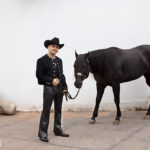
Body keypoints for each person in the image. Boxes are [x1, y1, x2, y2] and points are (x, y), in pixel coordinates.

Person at [36, 37, 69, 142]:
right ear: (48, 47)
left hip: (59, 89)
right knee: (46, 111)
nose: (55, 48)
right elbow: (39, 76)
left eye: (57, 47)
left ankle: (58, 129)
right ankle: (42, 133)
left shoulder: (59, 61)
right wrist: (51, 81)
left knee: (58, 110)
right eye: (53, 46)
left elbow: (62, 76)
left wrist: (64, 87)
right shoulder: (41, 60)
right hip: (49, 89)